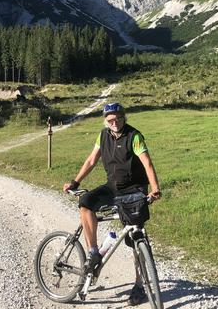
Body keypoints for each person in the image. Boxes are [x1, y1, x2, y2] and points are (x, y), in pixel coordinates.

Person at [63, 102, 161, 306]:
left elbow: (147, 163)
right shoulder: (103, 135)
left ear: (124, 118)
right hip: (112, 187)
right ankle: (93, 253)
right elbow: (91, 160)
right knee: (86, 202)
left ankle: (139, 286)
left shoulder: (134, 136)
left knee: (136, 236)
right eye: (110, 120)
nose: (114, 123)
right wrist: (75, 182)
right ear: (105, 121)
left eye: (118, 119)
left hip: (134, 189)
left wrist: (154, 188)